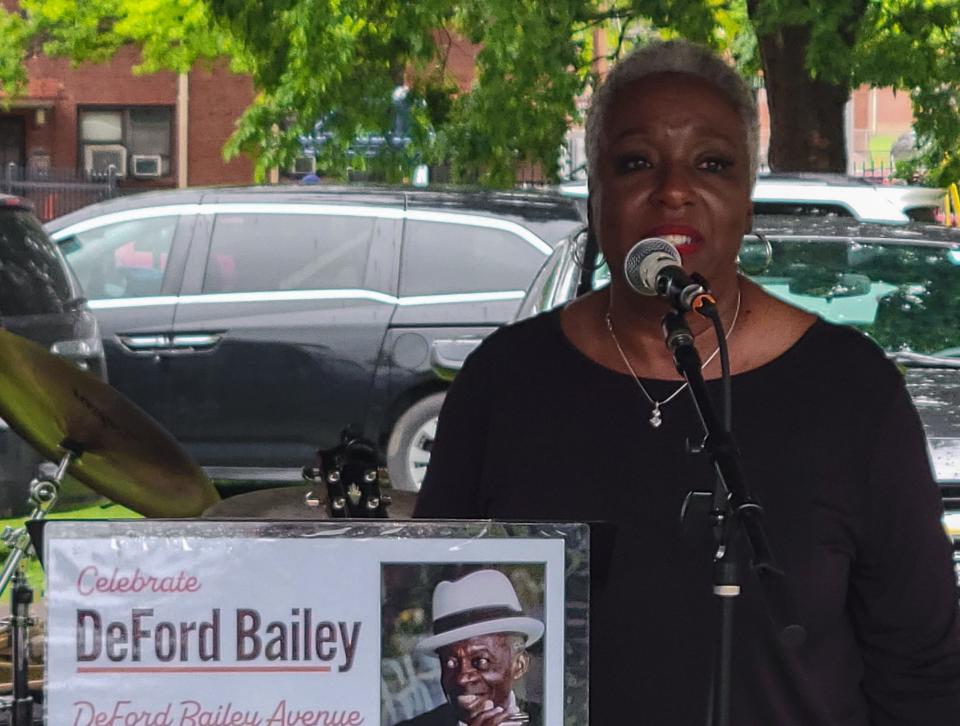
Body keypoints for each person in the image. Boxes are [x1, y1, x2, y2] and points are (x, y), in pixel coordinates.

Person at [414, 39, 960, 725]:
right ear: (595, 195)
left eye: (713, 163)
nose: (673, 189)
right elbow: (432, 615)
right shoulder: (503, 383)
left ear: (747, 198)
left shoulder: (852, 392)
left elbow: (922, 671)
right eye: (637, 161)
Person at [395, 569, 544, 726]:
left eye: (481, 661)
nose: (462, 678)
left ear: (519, 664)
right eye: (450, 663)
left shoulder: (551, 718)